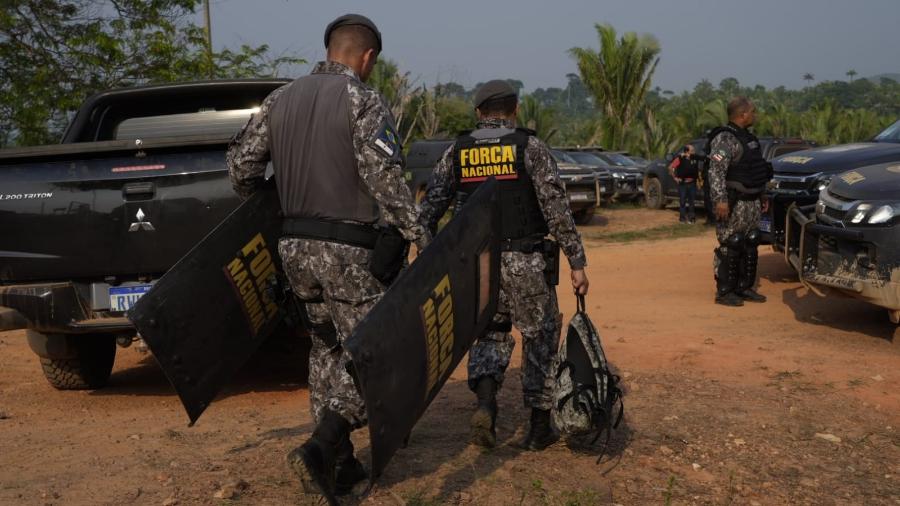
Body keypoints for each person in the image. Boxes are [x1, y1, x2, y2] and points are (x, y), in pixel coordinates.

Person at [226, 13, 430, 501]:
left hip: (294, 250)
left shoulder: (279, 99)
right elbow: (385, 179)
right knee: (375, 352)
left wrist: (282, 202)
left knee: (325, 349)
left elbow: (240, 170)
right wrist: (420, 233)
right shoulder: (362, 100)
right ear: (367, 57)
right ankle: (322, 444)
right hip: (350, 252)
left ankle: (338, 468)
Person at [419, 80, 590, 451]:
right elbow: (556, 210)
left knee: (489, 333)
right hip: (526, 260)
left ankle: (486, 405)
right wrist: (576, 261)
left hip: (476, 263)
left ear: (479, 113)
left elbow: (429, 209)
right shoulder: (531, 147)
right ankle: (537, 427)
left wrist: (427, 258)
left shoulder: (457, 151)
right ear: (515, 110)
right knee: (539, 336)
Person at [707, 97, 772, 307]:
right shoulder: (724, 139)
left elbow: (757, 170)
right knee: (732, 243)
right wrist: (720, 200)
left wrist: (762, 194)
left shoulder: (750, 139)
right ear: (743, 114)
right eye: (752, 111)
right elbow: (716, 172)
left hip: (752, 200)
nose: (755, 115)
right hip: (734, 202)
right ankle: (725, 291)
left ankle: (744, 287)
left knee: (751, 241)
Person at [668, 144, 700, 223]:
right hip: (683, 184)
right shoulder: (680, 158)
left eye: (694, 150)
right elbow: (670, 167)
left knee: (692, 202)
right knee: (682, 201)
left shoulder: (695, 159)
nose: (694, 152)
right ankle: (682, 218)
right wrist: (675, 178)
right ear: (687, 151)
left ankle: (691, 218)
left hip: (692, 183)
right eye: (692, 150)